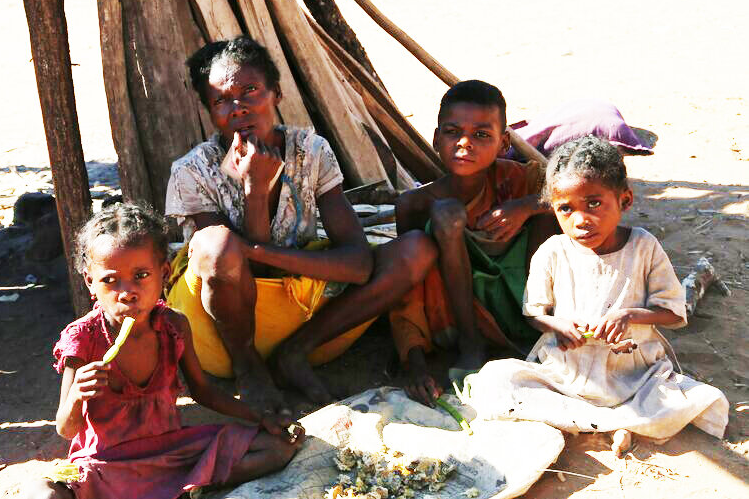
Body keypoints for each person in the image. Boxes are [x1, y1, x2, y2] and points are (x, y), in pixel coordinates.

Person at [165, 36, 435, 412]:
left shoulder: (311, 151)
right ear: (209, 111)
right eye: (221, 101)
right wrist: (256, 192)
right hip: (223, 330)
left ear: (276, 93)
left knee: (416, 250)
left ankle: (294, 353)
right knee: (217, 246)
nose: (238, 108)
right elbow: (236, 269)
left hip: (299, 311)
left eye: (250, 91)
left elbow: (358, 265)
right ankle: (250, 372)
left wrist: (258, 250)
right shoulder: (192, 172)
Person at [465, 136, 729, 456]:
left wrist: (629, 315)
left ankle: (610, 420)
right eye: (566, 208)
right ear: (553, 210)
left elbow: (674, 313)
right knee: (495, 379)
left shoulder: (643, 247)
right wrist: (557, 325)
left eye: (594, 203)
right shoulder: (552, 251)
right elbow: (534, 312)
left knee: (696, 400)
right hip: (565, 372)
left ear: (625, 200)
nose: (581, 220)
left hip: (632, 372)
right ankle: (619, 424)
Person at [27, 204, 304, 499]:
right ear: (90, 282)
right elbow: (65, 429)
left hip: (172, 454)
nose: (127, 291)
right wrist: (77, 395)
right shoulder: (83, 339)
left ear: (165, 274)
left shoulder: (173, 327)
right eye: (110, 279)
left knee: (277, 448)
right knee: (43, 494)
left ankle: (183, 485)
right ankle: (185, 488)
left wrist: (261, 418)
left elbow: (204, 392)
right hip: (107, 467)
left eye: (141, 275)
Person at [388, 80, 559, 406]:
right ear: (436, 139)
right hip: (454, 315)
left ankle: (542, 329)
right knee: (446, 214)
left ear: (503, 142)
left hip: (522, 304)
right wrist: (413, 360)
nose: (465, 143)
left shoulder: (520, 181)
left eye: (481, 135)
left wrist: (526, 207)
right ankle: (471, 344)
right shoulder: (413, 204)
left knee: (549, 209)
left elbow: (578, 193)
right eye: (453, 132)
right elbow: (405, 289)